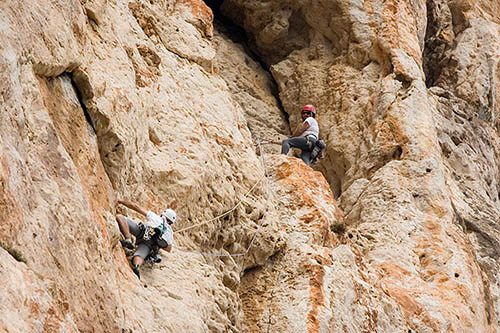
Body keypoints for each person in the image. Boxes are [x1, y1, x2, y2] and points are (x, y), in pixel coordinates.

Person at [115, 200, 176, 279]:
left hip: (142, 232)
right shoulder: (170, 232)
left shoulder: (155, 216)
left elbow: (136, 207)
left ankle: (128, 239)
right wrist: (158, 241)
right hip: (150, 244)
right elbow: (168, 249)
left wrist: (121, 201)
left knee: (121, 218)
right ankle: (137, 266)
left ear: (163, 214)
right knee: (139, 255)